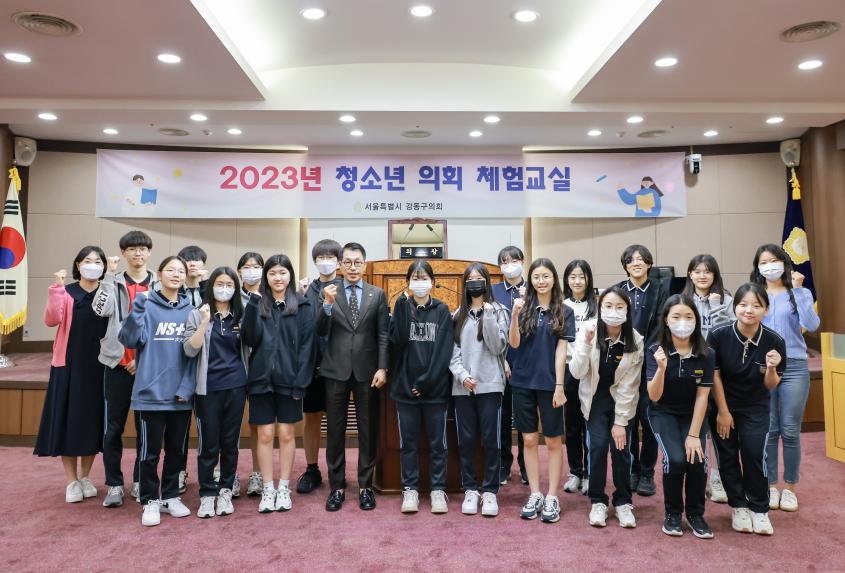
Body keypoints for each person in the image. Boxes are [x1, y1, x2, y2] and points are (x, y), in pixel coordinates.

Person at [118, 256, 198, 527]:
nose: (176, 274)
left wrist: (187, 388)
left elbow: (194, 354)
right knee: (149, 453)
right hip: (149, 396)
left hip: (180, 396)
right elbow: (129, 339)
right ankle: (150, 500)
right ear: (160, 274)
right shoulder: (146, 304)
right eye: (170, 270)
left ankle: (171, 496)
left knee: (177, 451)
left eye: (181, 271)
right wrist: (138, 308)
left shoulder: (190, 310)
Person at [317, 242, 389, 512]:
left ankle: (365, 486)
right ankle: (337, 487)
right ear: (340, 265)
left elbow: (383, 334)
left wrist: (382, 367)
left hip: (367, 372)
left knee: (367, 431)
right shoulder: (329, 292)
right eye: (347, 262)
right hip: (335, 370)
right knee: (335, 432)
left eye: (357, 262)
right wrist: (326, 305)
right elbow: (319, 330)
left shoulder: (377, 294)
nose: (352, 267)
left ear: (364, 264)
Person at [709, 282, 785, 536]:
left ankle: (759, 508)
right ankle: (739, 506)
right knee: (727, 456)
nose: (749, 310)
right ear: (734, 307)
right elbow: (714, 375)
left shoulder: (775, 341)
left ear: (766, 309)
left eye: (756, 305)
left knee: (754, 454)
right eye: (743, 304)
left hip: (756, 407)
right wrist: (723, 412)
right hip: (723, 405)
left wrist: (772, 367)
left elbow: (771, 384)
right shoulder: (718, 335)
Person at [241, 254, 315, 514]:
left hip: (290, 381)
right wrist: (252, 306)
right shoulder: (258, 304)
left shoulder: (303, 305)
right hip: (260, 380)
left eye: (282, 272)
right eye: (272, 273)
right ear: (266, 277)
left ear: (290, 275)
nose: (278, 278)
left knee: (285, 434)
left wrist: (301, 383)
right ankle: (268, 488)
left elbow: (307, 348)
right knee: (264, 435)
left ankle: (284, 487)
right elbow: (249, 339)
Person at [35, 246, 109, 503]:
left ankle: (86, 477)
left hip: (99, 365)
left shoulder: (107, 292)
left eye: (98, 261)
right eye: (87, 260)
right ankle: (71, 481)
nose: (93, 265)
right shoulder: (66, 291)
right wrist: (56, 288)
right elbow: (51, 320)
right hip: (69, 364)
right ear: (77, 265)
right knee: (69, 420)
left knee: (92, 421)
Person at [751, 244, 820, 512]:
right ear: (757, 267)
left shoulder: (798, 292)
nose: (769, 266)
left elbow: (812, 325)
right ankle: (770, 486)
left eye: (774, 260)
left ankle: (790, 489)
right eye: (763, 262)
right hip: (763, 366)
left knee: (790, 429)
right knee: (769, 429)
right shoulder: (755, 294)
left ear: (784, 262)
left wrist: (800, 290)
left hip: (794, 365)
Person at [569, 285, 643, 529]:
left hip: (622, 400)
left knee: (621, 450)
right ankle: (598, 501)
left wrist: (620, 422)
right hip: (595, 399)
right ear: (600, 308)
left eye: (619, 307)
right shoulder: (588, 329)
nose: (614, 311)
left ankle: (623, 501)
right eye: (608, 306)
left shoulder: (635, 339)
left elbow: (630, 386)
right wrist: (586, 343)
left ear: (627, 310)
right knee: (598, 447)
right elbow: (576, 372)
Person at [509, 258, 575, 523]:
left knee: (553, 440)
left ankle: (552, 496)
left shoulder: (564, 311)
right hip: (522, 382)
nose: (541, 281)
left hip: (550, 385)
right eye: (536, 277)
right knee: (528, 439)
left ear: (554, 279)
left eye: (546, 276)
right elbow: (514, 344)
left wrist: (559, 385)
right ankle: (535, 493)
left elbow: (561, 351)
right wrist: (514, 316)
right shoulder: (523, 307)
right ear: (531, 280)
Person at [93, 230, 155, 507]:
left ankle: (141, 481)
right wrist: (107, 277)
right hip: (116, 364)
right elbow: (99, 310)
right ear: (124, 252)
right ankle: (115, 484)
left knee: (145, 429)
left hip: (147, 367)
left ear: (149, 252)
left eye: (142, 248)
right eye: (131, 248)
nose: (137, 253)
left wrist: (141, 360)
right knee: (113, 428)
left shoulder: (158, 283)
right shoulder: (114, 281)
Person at [646, 294, 715, 539]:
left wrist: (694, 435)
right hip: (662, 412)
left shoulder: (707, 353)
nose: (682, 322)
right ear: (666, 320)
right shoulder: (655, 351)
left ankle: (696, 514)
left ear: (696, 320)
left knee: (696, 459)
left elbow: (703, 396)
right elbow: (654, 396)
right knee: (675, 460)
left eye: (688, 316)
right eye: (676, 316)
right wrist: (661, 368)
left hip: (693, 413)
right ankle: (673, 513)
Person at [389, 260, 454, 514]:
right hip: (405, 390)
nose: (419, 282)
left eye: (424, 277)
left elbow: (443, 351)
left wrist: (426, 381)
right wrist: (402, 307)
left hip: (435, 390)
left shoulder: (442, 310)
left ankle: (437, 489)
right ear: (407, 282)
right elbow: (398, 341)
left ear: (433, 282)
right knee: (409, 444)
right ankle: (410, 490)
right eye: (414, 278)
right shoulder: (401, 307)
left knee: (438, 444)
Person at [183, 267, 248, 518]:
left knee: (230, 443)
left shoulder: (241, 316)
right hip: (207, 389)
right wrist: (203, 322)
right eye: (219, 283)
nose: (224, 289)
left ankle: (225, 491)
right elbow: (190, 349)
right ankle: (207, 493)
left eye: (229, 284)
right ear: (211, 286)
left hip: (236, 387)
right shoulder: (196, 313)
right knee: (208, 444)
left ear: (236, 289)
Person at [450, 263, 509, 517]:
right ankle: (471, 489)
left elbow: (498, 348)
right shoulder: (457, 314)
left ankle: (490, 491)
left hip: (490, 385)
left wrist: (489, 316)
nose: (475, 282)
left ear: (486, 282)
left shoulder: (500, 311)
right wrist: (462, 375)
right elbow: (452, 352)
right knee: (466, 442)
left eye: (479, 278)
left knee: (491, 441)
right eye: (470, 278)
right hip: (462, 387)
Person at [682, 254, 734, 504]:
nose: (702, 276)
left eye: (707, 271)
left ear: (715, 274)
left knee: (720, 428)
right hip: (693, 370)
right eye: (697, 271)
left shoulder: (728, 300)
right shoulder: (683, 301)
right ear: (690, 274)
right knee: (696, 427)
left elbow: (728, 335)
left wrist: (716, 307)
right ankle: (698, 476)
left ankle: (717, 476)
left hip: (722, 371)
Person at [616, 244, 668, 496]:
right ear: (625, 265)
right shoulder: (618, 290)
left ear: (649, 263)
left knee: (648, 418)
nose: (636, 263)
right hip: (623, 362)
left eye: (641, 259)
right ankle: (632, 469)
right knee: (627, 417)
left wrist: (644, 352)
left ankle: (647, 472)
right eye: (631, 260)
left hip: (649, 359)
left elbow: (661, 326)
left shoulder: (661, 289)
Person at [295, 239, 344, 495]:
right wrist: (299, 295)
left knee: (337, 420)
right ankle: (312, 469)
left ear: (339, 261)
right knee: (312, 417)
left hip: (340, 364)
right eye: (321, 258)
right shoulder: (306, 290)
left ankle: (338, 470)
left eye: (330, 257)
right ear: (315, 262)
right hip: (313, 364)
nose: (326, 262)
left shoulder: (347, 288)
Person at [490, 245, 528, 485]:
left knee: (525, 418)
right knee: (502, 418)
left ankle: (526, 465)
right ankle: (503, 464)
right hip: (500, 362)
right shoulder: (492, 291)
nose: (510, 265)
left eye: (514, 260)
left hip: (527, 363)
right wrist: (502, 359)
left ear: (522, 261)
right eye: (504, 262)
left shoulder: (533, 289)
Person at [562, 259, 597, 495]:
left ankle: (590, 473)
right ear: (567, 280)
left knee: (590, 423)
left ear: (588, 279)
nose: (577, 281)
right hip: (568, 368)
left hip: (591, 369)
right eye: (572, 276)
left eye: (581, 276)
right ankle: (575, 471)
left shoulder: (597, 306)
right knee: (572, 424)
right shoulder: (561, 305)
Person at [237, 251, 264, 496]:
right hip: (234, 366)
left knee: (258, 424)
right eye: (247, 266)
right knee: (230, 425)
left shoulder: (269, 296)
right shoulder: (231, 295)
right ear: (239, 272)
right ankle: (229, 474)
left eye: (256, 266)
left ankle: (257, 473)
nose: (251, 271)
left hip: (260, 368)